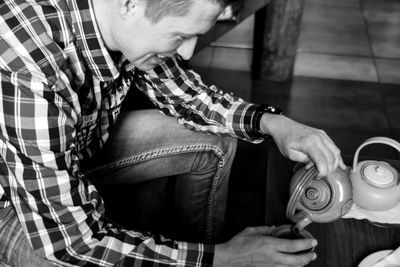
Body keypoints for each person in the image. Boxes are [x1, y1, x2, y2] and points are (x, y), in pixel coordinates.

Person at [0, 0, 345, 266]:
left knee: (215, 142)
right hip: (14, 207)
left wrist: (277, 124)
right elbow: (74, 242)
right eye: (180, 36)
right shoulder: (28, 67)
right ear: (131, 5)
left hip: (74, 155)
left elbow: (191, 99)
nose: (188, 52)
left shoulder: (122, 20)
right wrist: (224, 259)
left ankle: (194, 248)